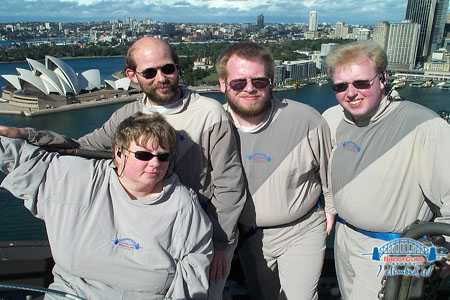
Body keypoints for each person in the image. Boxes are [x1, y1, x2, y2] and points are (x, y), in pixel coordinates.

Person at [0, 37, 246, 300]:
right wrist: (27, 135)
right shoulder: (128, 115)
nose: (162, 78)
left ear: (177, 68)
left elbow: (229, 184)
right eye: (150, 72)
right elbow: (81, 148)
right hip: (139, 223)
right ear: (132, 75)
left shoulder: (209, 113)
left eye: (168, 68)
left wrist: (221, 243)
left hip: (198, 229)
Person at [0, 112, 213, 300]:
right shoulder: (79, 179)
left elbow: (194, 263)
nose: (155, 163)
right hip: (73, 293)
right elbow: (23, 159)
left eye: (163, 156)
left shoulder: (182, 202)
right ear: (119, 154)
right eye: (144, 155)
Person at [322, 40, 450, 299]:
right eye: (340, 86)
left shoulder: (425, 127)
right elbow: (328, 173)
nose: (351, 93)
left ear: (383, 79)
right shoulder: (331, 118)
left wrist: (444, 253)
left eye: (361, 83)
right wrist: (330, 207)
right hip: (345, 240)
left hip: (393, 249)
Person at [216, 42, 335, 300]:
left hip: (301, 228)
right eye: (238, 83)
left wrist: (331, 208)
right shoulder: (215, 126)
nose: (249, 88)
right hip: (248, 236)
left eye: (259, 82)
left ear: (271, 82)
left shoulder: (307, 119)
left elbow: (329, 170)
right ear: (222, 84)